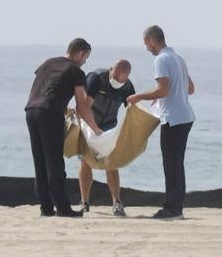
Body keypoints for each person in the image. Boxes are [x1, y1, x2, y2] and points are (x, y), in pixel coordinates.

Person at [24, 38, 102, 218]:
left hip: (31, 111)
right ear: (81, 53)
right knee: (54, 163)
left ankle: (46, 207)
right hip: (49, 115)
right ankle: (63, 208)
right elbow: (82, 106)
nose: (84, 62)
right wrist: (96, 129)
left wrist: (62, 107)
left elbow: (44, 90)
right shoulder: (75, 71)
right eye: (85, 58)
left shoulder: (47, 63)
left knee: (40, 161)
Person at [127, 25, 196, 220]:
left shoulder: (161, 60)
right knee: (177, 163)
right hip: (185, 116)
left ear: (152, 40)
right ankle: (177, 206)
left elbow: (163, 89)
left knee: (171, 164)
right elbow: (190, 89)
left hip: (173, 119)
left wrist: (138, 96)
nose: (147, 48)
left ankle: (172, 208)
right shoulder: (178, 58)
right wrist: (166, 95)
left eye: (146, 44)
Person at [78, 59, 135, 216]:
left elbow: (132, 110)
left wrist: (128, 134)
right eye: (115, 78)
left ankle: (117, 202)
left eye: (122, 80)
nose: (118, 82)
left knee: (112, 162)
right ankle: (84, 202)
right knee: (86, 161)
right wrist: (94, 128)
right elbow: (84, 106)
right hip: (89, 123)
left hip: (109, 125)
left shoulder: (128, 86)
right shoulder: (96, 78)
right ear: (111, 70)